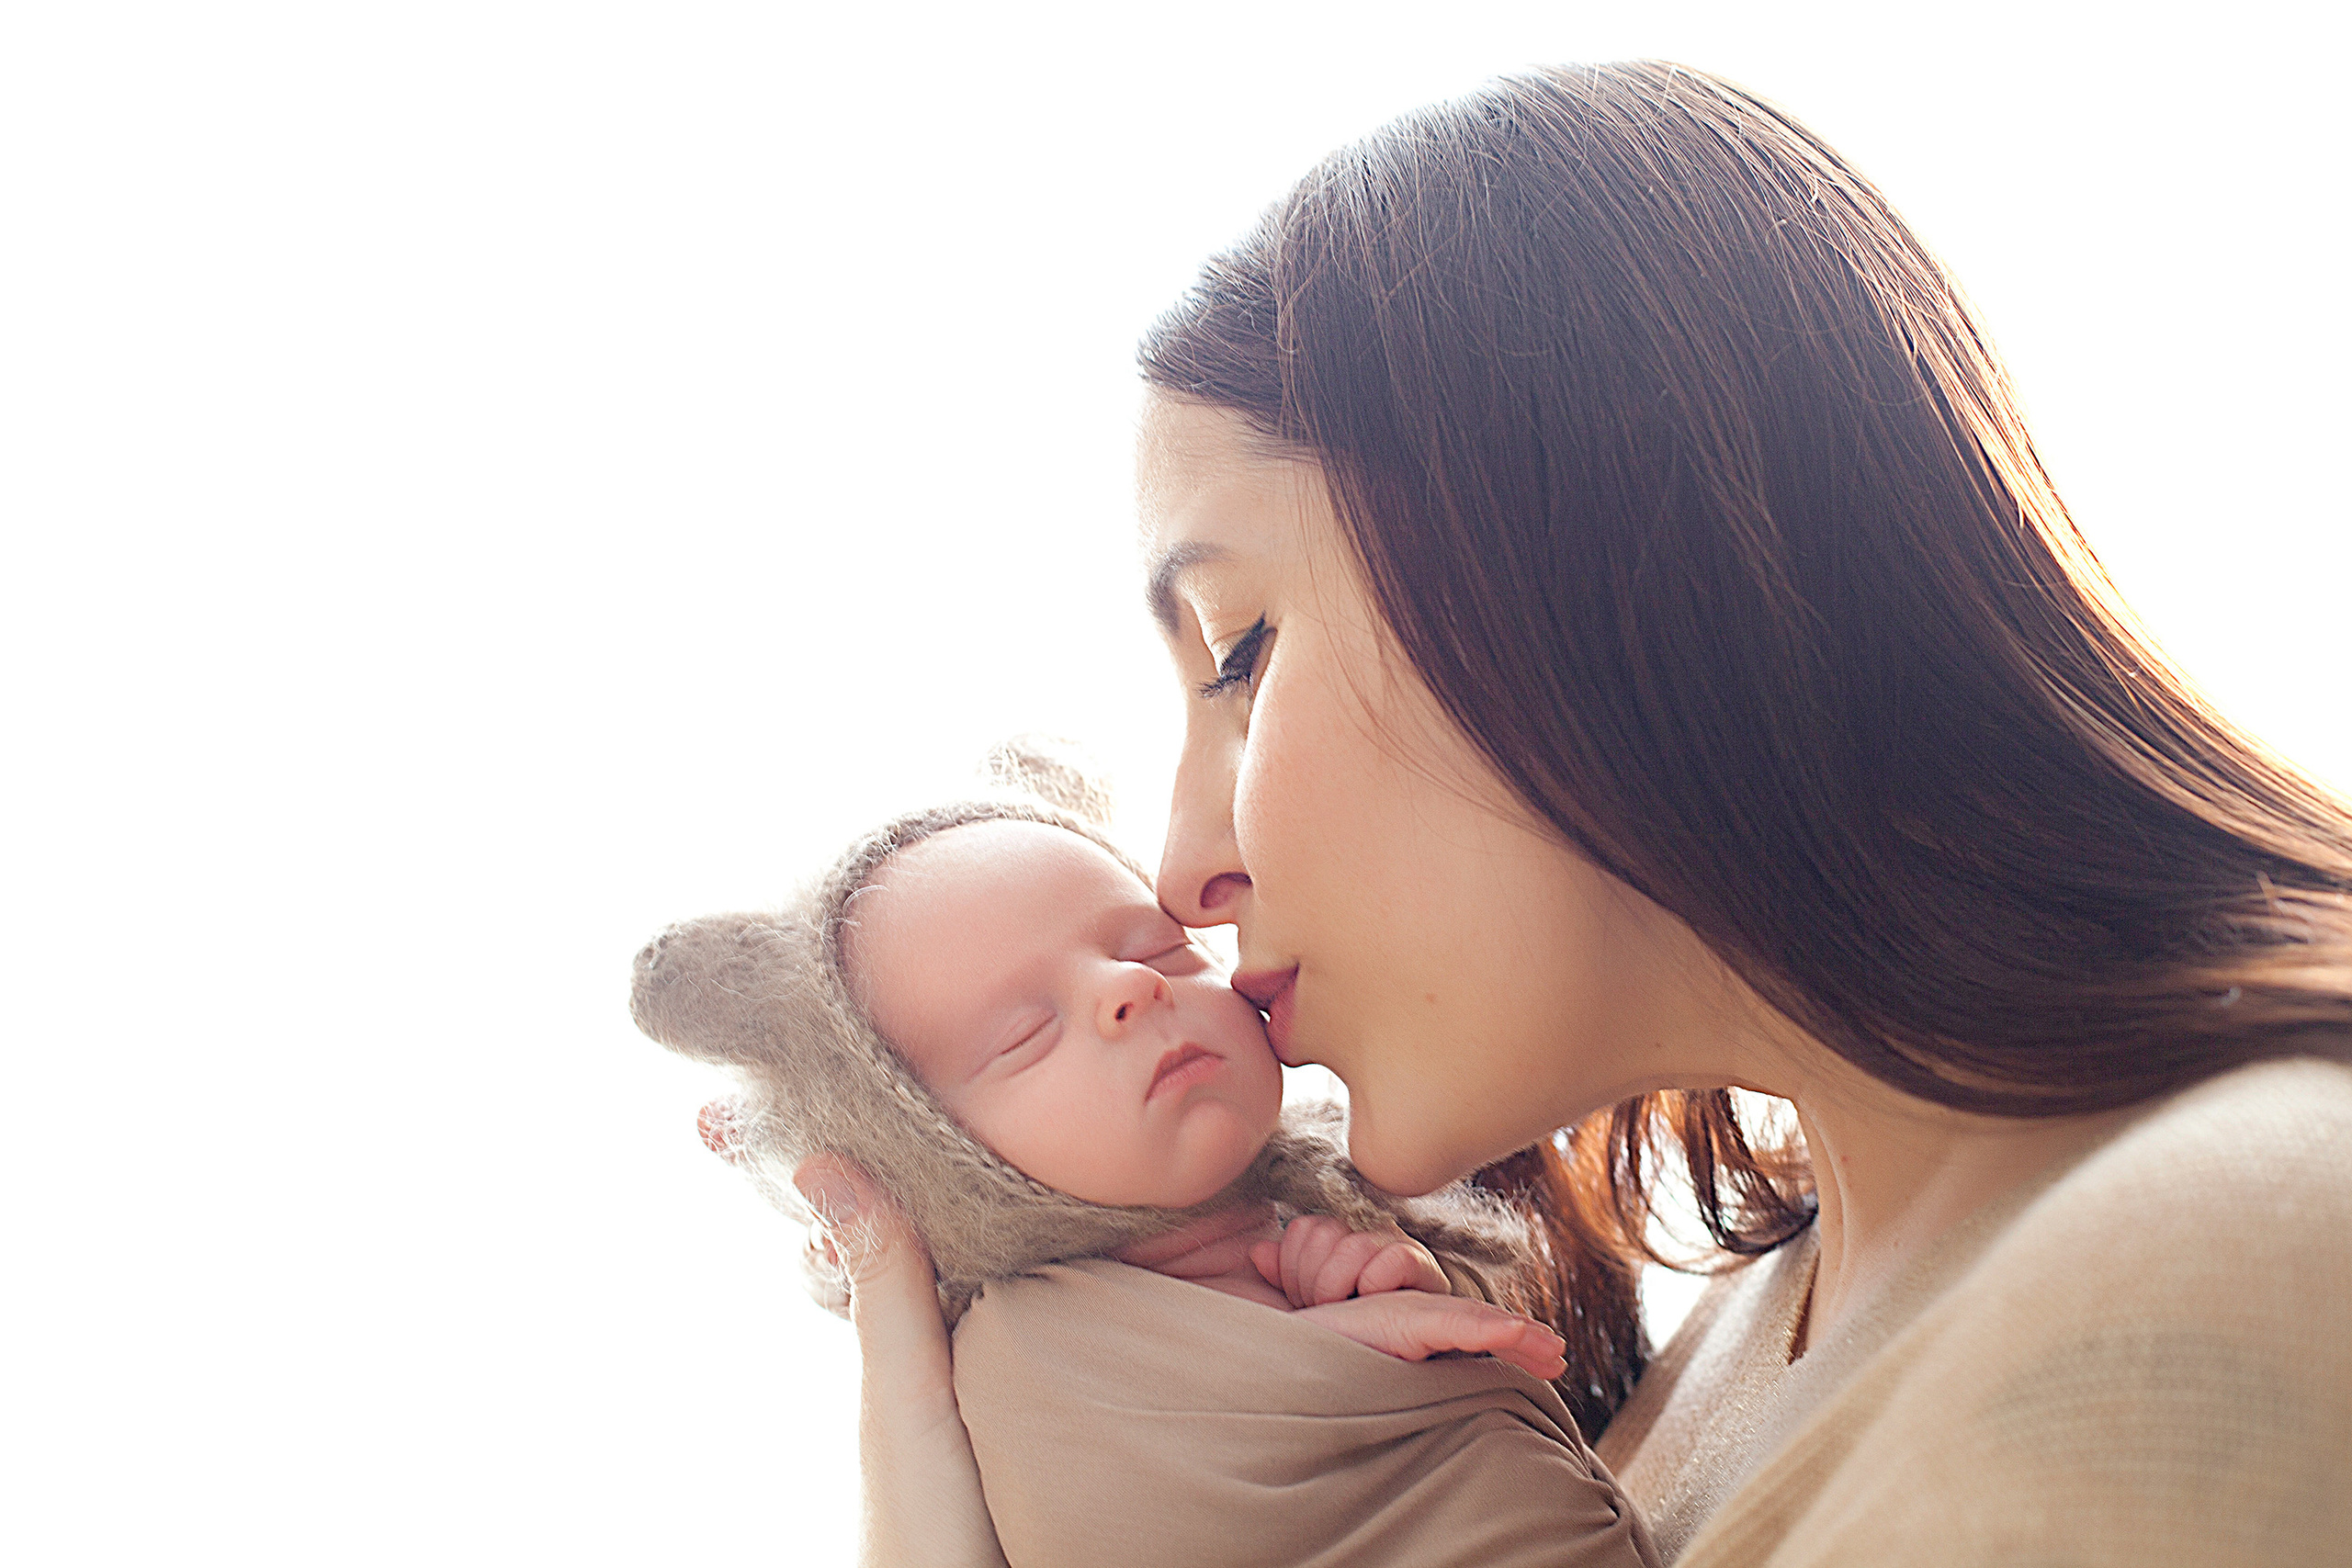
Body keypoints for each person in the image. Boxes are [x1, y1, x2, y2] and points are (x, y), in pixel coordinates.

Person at [794, 61, 2352, 1566]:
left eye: (1241, 654)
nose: (1186, 870)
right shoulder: (1758, 1325)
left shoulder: (2211, 1279)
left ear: (1591, 561)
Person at [634, 787, 1656, 1567]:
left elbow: (1484, 1448)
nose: (1129, 987)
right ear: (927, 1158)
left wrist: (1396, 1329)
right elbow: (1120, 1517)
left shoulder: (1341, 1211)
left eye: (1160, 951)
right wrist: (1310, 1368)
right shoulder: (1025, 1351)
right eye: (1025, 1034)